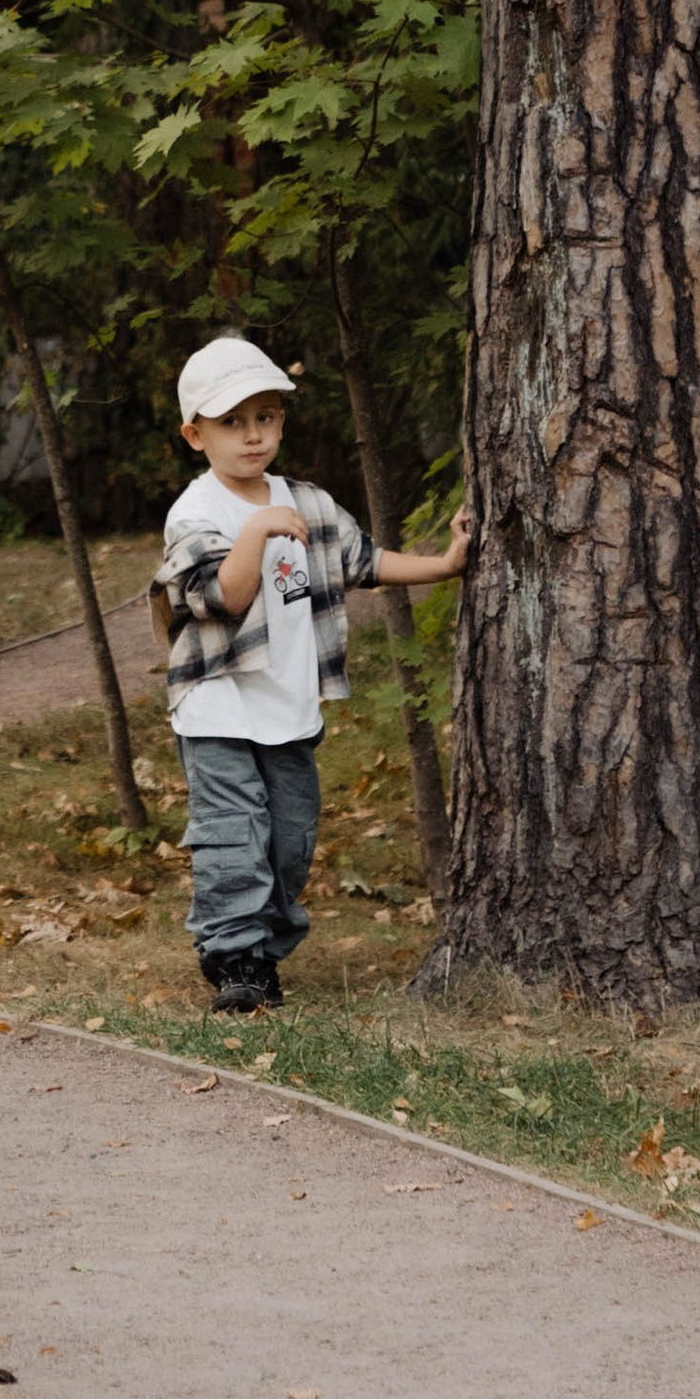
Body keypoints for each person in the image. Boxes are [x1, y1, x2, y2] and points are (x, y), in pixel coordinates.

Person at [157, 332, 470, 1015]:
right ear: (194, 434)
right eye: (232, 422)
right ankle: (233, 957)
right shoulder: (196, 513)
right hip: (219, 707)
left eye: (265, 417)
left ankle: (265, 950)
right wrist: (258, 530)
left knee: (291, 837)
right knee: (234, 832)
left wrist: (443, 565)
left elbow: (364, 562)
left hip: (288, 709)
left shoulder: (308, 502)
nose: (252, 436)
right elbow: (224, 598)